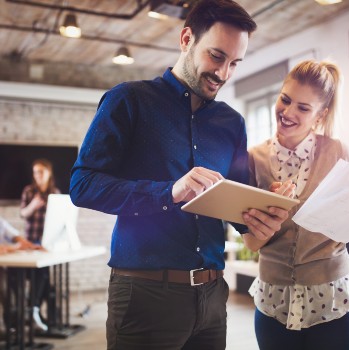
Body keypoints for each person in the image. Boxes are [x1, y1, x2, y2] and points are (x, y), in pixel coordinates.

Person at [70, 1, 289, 349]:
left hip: (214, 297)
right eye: (217, 56)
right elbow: (82, 186)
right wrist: (169, 191)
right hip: (144, 296)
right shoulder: (128, 100)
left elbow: (238, 207)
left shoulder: (232, 124)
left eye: (234, 63)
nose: (224, 73)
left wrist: (264, 213)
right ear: (186, 38)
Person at [245, 59, 349, 350]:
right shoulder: (252, 158)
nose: (288, 112)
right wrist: (270, 218)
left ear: (320, 115)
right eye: (285, 100)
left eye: (303, 108)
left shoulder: (340, 153)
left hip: (331, 299)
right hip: (273, 300)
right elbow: (251, 243)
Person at [20, 158, 60, 332]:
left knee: (43, 279)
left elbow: (59, 220)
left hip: (47, 244)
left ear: (49, 173)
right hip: (30, 243)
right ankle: (35, 312)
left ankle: (35, 313)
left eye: (41, 171)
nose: (38, 175)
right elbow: (23, 214)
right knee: (41, 279)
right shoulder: (29, 192)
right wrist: (33, 205)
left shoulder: (55, 193)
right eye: (35, 172)